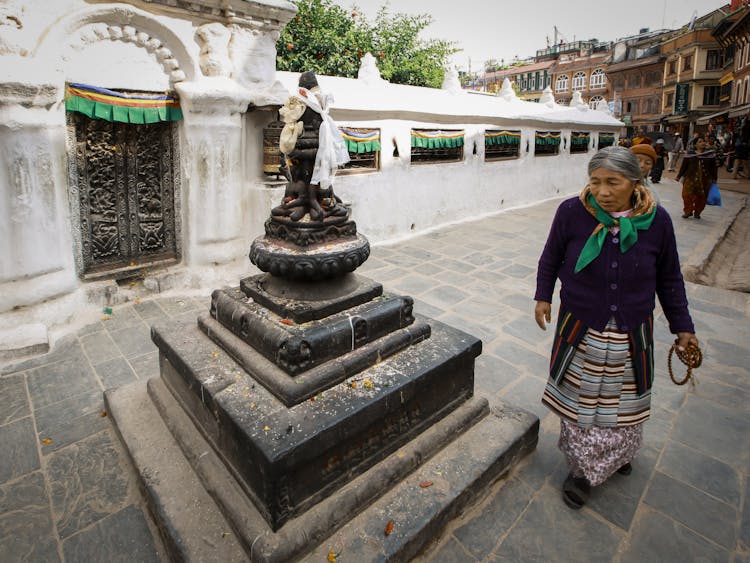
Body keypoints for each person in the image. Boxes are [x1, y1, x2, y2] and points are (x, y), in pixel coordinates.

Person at [534, 146, 698, 510]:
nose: (602, 191)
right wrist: (543, 296)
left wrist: (682, 326)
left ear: (634, 182)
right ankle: (581, 471)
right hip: (582, 329)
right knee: (583, 404)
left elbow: (669, 278)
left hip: (631, 333)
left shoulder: (658, 222)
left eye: (613, 182)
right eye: (595, 182)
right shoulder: (572, 213)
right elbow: (551, 257)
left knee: (622, 404)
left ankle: (618, 456)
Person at [676, 136, 717, 219]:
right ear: (695, 145)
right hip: (690, 177)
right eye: (700, 141)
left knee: (702, 196)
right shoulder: (690, 154)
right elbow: (684, 166)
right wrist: (679, 176)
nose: (703, 143)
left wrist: (714, 178)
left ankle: (698, 212)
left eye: (704, 141)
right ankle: (688, 211)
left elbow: (714, 168)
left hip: (704, 178)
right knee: (686, 195)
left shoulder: (710, 155)